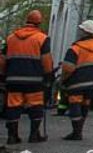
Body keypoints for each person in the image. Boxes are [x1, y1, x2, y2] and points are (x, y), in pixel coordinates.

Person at [0, 10, 54, 144]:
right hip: (34, 81)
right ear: (39, 23)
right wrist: (49, 76)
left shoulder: (11, 38)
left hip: (13, 80)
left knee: (13, 107)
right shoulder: (42, 38)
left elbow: (2, 59)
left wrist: (2, 75)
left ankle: (12, 136)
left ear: (26, 21)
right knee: (36, 106)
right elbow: (46, 60)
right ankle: (34, 135)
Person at [59, 20, 93, 141]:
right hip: (92, 82)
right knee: (85, 105)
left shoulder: (76, 48)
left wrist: (63, 79)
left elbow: (68, 68)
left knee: (75, 105)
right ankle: (79, 130)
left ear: (84, 32)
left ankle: (76, 132)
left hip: (76, 82)